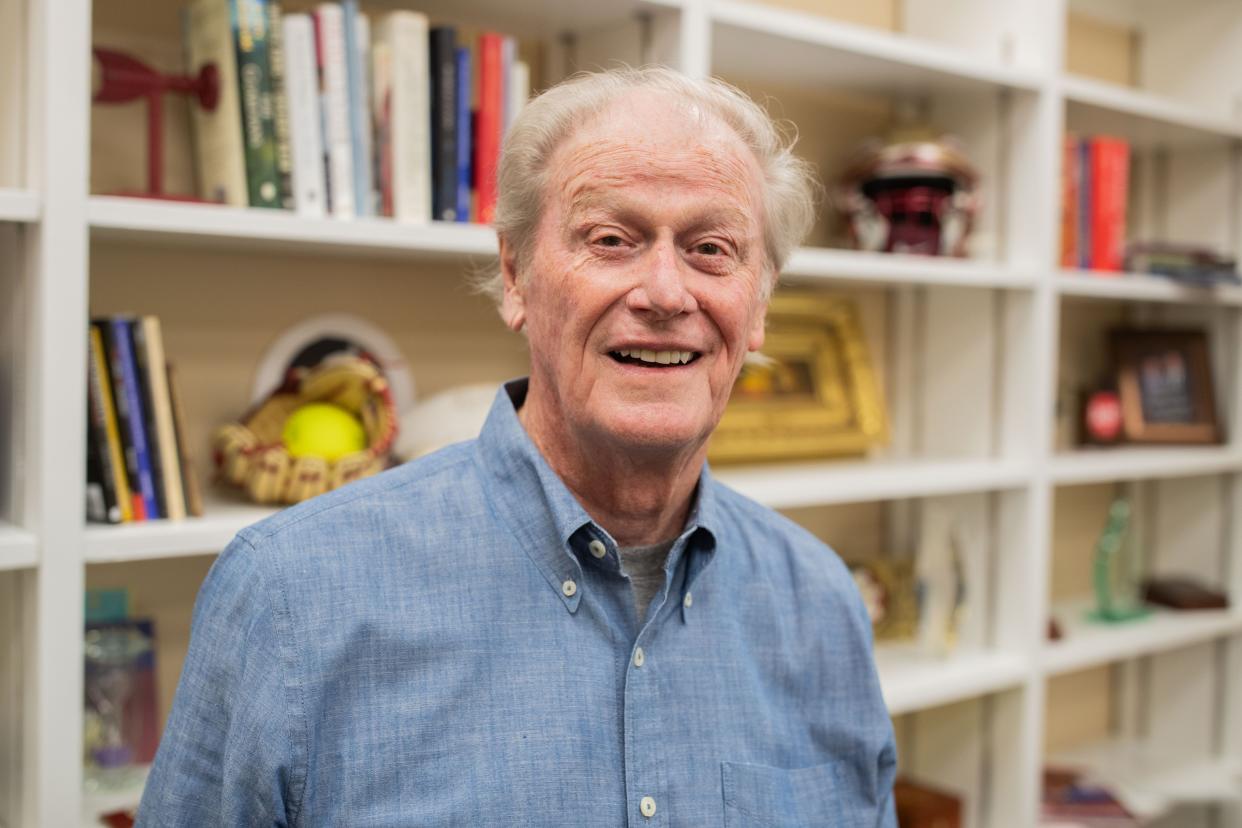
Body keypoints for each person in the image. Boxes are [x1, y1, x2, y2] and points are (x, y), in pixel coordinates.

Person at [138, 66, 897, 826]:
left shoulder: (823, 605)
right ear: (515, 276)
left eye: (711, 248)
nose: (666, 293)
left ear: (758, 303)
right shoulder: (290, 598)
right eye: (611, 239)